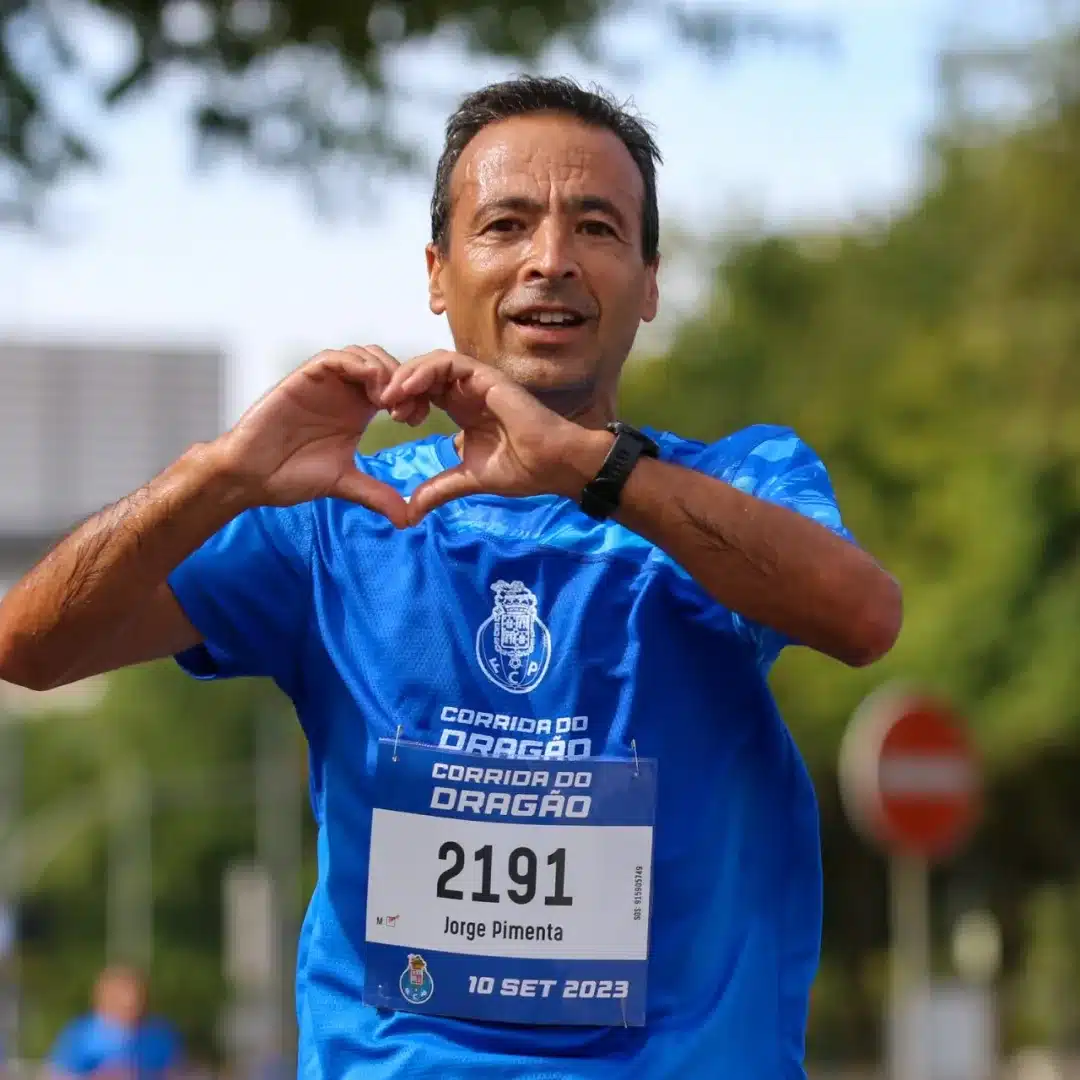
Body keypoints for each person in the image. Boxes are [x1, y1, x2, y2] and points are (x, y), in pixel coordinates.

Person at [0, 76, 902, 1078]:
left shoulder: (737, 485)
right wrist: (214, 477)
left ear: (649, 280)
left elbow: (863, 617)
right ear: (438, 273)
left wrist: (588, 466)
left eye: (596, 227)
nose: (549, 260)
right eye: (506, 224)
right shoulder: (333, 522)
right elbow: (29, 647)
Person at [46, 966, 182, 1079]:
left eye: (136, 1000)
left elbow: (176, 1072)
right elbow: (59, 1073)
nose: (130, 1005)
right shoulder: (80, 1034)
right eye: (121, 1000)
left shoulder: (160, 1035)